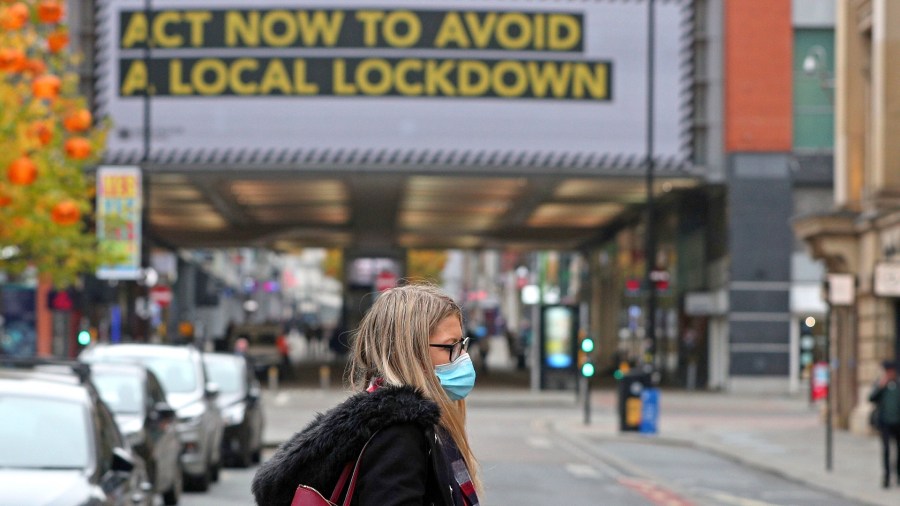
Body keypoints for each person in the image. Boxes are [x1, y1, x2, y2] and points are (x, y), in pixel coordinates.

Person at [251, 284, 481, 505]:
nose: (462, 357)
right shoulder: (400, 433)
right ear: (410, 352)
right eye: (450, 346)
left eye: (463, 344)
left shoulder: (391, 421)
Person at [869, 359, 900, 488]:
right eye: (887, 371)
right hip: (885, 423)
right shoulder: (881, 384)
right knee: (886, 450)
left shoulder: (898, 384)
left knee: (899, 451)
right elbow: (871, 398)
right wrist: (880, 386)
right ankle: (886, 477)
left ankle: (898, 475)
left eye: (891, 371)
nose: (889, 374)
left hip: (898, 423)